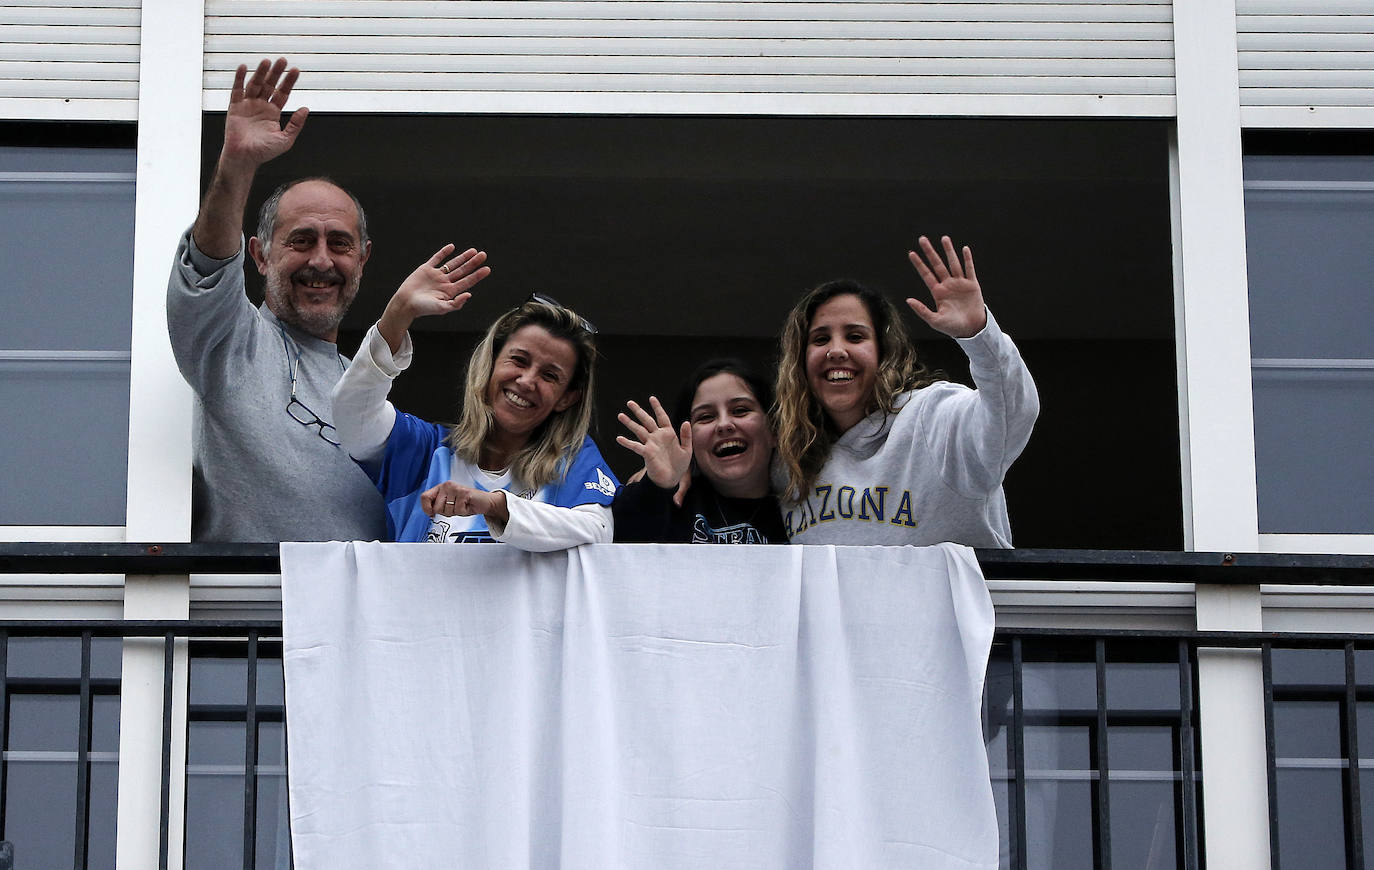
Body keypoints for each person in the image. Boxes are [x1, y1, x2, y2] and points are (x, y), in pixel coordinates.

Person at [166, 57, 386, 542]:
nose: (323, 262)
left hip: (359, 616)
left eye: (340, 244)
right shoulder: (231, 344)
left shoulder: (370, 384)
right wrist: (237, 165)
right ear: (260, 256)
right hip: (251, 615)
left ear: (363, 260)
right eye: (302, 240)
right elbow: (204, 272)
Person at [331, 250, 618, 550]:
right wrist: (397, 315)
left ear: (567, 398)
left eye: (549, 375)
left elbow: (596, 530)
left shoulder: (571, 460)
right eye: (518, 360)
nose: (527, 380)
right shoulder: (427, 451)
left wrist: (494, 506)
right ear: (491, 363)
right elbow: (353, 417)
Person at [773, 235, 1038, 548]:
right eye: (819, 340)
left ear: (884, 353)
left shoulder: (933, 419)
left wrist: (978, 335)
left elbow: (1014, 413)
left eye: (855, 336)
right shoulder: (789, 458)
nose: (836, 350)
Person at [613, 359, 787, 544]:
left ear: (774, 430)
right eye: (706, 417)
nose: (723, 424)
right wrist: (656, 486)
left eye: (740, 410)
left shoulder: (807, 505)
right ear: (689, 440)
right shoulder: (675, 502)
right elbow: (616, 544)